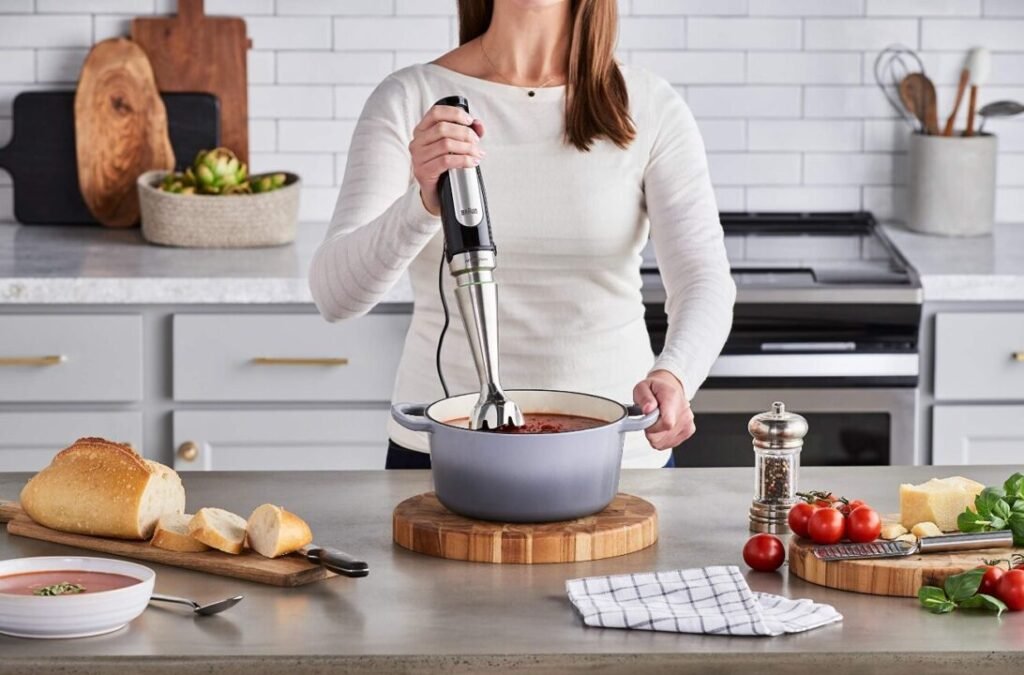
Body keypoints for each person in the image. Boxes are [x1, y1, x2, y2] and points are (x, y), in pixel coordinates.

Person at [309, 0, 736, 470]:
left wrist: (676, 374)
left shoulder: (649, 105)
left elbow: (704, 280)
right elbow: (336, 296)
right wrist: (424, 202)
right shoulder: (411, 97)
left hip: (616, 451)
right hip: (446, 449)